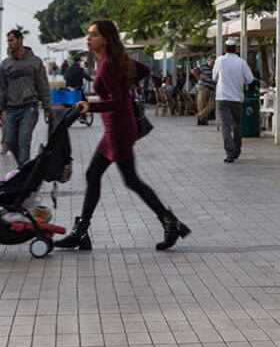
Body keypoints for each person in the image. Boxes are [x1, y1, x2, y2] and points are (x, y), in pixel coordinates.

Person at [56, 19, 190, 251]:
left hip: (119, 129)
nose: (89, 39)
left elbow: (117, 102)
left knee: (129, 180)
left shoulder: (108, 65)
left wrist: (92, 106)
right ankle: (82, 231)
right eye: (88, 34)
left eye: (94, 35)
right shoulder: (113, 62)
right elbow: (143, 71)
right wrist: (124, 83)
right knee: (95, 175)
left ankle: (169, 221)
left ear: (106, 39)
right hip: (115, 128)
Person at [0, 30, 52, 169]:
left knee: (24, 139)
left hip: (29, 107)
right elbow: (1, 88)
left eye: (12, 40)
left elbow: (43, 85)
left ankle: (23, 172)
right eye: (8, 41)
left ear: (20, 40)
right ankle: (25, 165)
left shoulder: (35, 62)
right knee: (9, 139)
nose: (10, 43)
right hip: (11, 108)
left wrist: (47, 107)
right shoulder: (5, 64)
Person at [213, 40, 254, 163]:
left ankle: (230, 151)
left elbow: (214, 77)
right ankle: (236, 149)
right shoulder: (241, 62)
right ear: (236, 49)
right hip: (237, 97)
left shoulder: (220, 60)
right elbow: (250, 79)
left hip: (222, 97)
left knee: (225, 125)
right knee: (237, 124)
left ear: (225, 49)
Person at [190, 55, 217, 125]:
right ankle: (202, 121)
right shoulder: (203, 66)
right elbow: (193, 71)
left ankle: (200, 116)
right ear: (209, 60)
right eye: (212, 62)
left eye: (215, 62)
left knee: (213, 104)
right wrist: (199, 77)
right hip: (203, 87)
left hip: (211, 88)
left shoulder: (216, 68)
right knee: (201, 104)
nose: (213, 64)